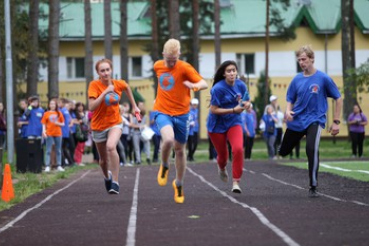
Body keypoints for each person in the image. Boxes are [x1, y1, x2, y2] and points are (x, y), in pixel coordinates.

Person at [278, 45, 343, 198]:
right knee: (283, 151)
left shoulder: (323, 78)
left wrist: (336, 122)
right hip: (298, 120)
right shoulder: (297, 79)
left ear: (312, 59)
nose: (301, 62)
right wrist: (288, 110)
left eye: (304, 59)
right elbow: (290, 98)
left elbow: (338, 98)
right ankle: (287, 145)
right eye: (299, 60)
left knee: (311, 149)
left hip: (316, 119)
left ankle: (313, 185)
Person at [154, 38, 208, 203]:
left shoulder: (185, 67)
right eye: (168, 60)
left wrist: (193, 86)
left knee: (179, 150)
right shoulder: (158, 65)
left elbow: (204, 83)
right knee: (168, 139)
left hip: (182, 114)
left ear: (179, 55)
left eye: (174, 60)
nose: (170, 64)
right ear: (163, 55)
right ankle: (164, 164)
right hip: (162, 111)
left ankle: (178, 183)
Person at [88, 58, 139, 195]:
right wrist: (105, 92)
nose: (105, 73)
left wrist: (134, 106)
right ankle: (107, 177)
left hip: (115, 122)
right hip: (98, 126)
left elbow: (127, 87)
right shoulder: (94, 85)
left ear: (111, 70)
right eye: (102, 71)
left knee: (111, 146)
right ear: (98, 73)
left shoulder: (118, 83)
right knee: (103, 160)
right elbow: (91, 107)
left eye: (107, 70)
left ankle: (115, 182)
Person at [207, 60, 250, 193]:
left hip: (234, 122)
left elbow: (246, 101)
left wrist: (247, 105)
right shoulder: (218, 89)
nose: (232, 73)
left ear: (236, 72)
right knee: (223, 156)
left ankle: (236, 182)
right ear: (224, 74)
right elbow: (213, 109)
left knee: (238, 149)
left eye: (233, 70)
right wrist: (233, 110)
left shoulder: (241, 86)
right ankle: (221, 167)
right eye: (228, 71)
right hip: (216, 125)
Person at [41, 98, 65, 172]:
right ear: (49, 105)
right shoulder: (46, 113)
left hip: (58, 133)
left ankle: (59, 165)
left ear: (56, 105)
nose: (52, 105)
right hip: (49, 133)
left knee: (58, 150)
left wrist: (59, 123)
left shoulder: (59, 113)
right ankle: (47, 165)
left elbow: (63, 124)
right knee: (48, 150)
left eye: (54, 104)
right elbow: (43, 124)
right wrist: (44, 132)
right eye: (51, 104)